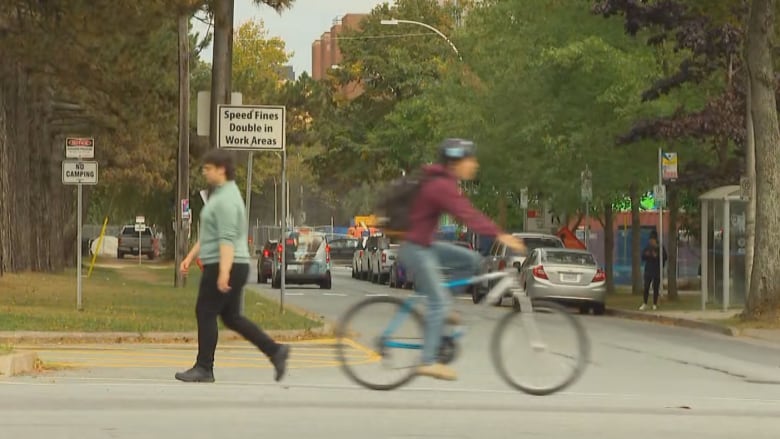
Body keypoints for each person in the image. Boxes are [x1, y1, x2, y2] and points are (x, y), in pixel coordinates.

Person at [399, 138, 527, 381]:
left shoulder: (446, 183)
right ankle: (427, 361)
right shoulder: (441, 186)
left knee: (472, 259)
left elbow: (467, 212)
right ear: (456, 162)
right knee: (437, 302)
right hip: (415, 249)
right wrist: (502, 235)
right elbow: (468, 216)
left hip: (425, 245)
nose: (475, 164)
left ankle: (446, 307)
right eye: (471, 159)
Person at [175, 149, 290, 383]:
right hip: (228, 263)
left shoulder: (227, 199)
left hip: (225, 263)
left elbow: (226, 238)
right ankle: (275, 351)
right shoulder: (221, 195)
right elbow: (209, 234)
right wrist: (189, 257)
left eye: (209, 168)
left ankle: (204, 367)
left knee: (205, 311)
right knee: (232, 317)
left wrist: (224, 272)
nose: (205, 172)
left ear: (222, 170)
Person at [640, 232, 667, 311]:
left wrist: (657, 256)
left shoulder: (660, 247)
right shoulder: (648, 247)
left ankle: (654, 304)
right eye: (650, 240)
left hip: (656, 270)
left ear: (655, 240)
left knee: (655, 287)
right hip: (648, 270)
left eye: (652, 240)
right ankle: (645, 303)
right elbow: (643, 256)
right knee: (646, 287)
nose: (651, 242)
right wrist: (647, 255)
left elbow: (665, 257)